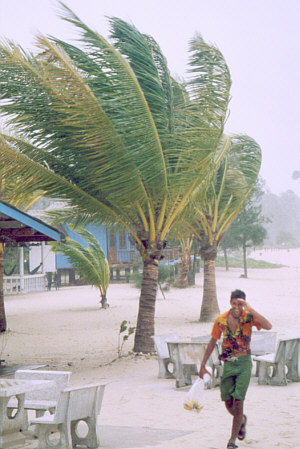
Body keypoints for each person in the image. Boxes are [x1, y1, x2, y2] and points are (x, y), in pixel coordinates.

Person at [199, 289, 272, 449]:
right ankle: (242, 420)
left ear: (244, 304)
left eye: (241, 304)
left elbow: (268, 325)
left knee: (239, 401)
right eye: (234, 303)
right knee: (227, 401)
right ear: (230, 303)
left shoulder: (249, 317)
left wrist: (250, 309)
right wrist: (203, 365)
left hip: (244, 362)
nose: (237, 307)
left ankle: (231, 441)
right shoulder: (221, 320)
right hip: (229, 363)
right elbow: (213, 341)